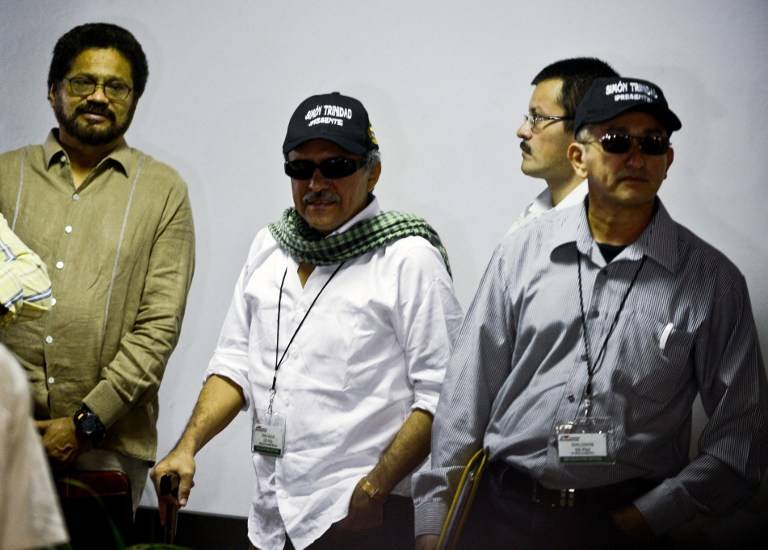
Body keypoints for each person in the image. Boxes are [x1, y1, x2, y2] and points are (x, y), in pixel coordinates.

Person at [413, 76, 767, 549]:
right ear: (579, 158)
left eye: (652, 143)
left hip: (623, 524)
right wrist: (434, 521)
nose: (636, 157)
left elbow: (742, 434)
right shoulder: (521, 253)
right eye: (617, 141)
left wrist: (649, 517)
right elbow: (466, 395)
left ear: (668, 161)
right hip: (502, 514)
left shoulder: (712, 280)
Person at [151, 91, 462, 550]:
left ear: (372, 171)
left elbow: (442, 394)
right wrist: (186, 447)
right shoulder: (270, 246)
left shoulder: (408, 258)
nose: (316, 182)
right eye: (301, 169)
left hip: (361, 519)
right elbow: (233, 365)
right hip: (271, 518)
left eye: (336, 166)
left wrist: (375, 486)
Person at [0, 22, 195, 511]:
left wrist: (84, 424)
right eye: (83, 82)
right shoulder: (4, 176)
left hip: (106, 450)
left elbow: (158, 327)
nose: (99, 97)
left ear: (135, 99)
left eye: (116, 87)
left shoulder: (164, 192)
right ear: (53, 90)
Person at [507, 57, 617, 234]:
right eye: (529, 118)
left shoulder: (604, 232)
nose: (522, 131)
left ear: (586, 130)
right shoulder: (536, 213)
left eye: (538, 118)